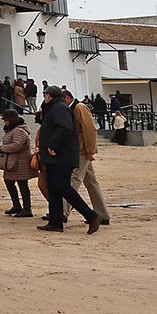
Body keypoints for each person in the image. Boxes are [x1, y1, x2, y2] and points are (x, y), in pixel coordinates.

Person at [39, 86, 101, 233]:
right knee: (53, 188)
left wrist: (52, 145)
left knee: (63, 187)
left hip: (61, 155)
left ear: (49, 96)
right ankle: (56, 221)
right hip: (56, 156)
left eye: (45, 95)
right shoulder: (55, 108)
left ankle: (91, 216)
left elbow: (64, 128)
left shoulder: (59, 108)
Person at [69, 94, 111, 226]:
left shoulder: (79, 107)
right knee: (92, 183)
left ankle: (61, 213)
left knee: (73, 182)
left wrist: (90, 150)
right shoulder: (76, 108)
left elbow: (89, 129)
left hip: (82, 151)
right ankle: (102, 214)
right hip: (82, 150)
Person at [0, 109, 34, 218]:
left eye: (5, 120)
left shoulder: (18, 131)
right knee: (9, 182)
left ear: (10, 120)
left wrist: (1, 148)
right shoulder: (14, 129)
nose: (4, 122)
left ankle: (27, 209)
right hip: (14, 162)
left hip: (20, 163)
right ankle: (17, 206)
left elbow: (17, 145)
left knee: (22, 184)